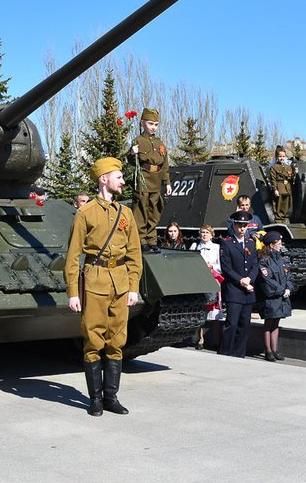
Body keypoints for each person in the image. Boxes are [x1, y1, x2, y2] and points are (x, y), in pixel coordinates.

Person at [64, 157, 142, 416]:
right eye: (118, 176)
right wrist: (73, 292)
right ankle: (95, 399)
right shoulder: (85, 213)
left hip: (120, 282)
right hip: (94, 281)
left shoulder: (126, 213)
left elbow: (134, 253)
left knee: (117, 340)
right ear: (103, 179)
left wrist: (133, 286)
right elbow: (73, 256)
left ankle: (111, 397)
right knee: (93, 340)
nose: (122, 181)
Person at [219, 210, 259, 357]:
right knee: (232, 324)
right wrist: (241, 280)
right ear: (234, 226)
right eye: (240, 225)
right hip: (234, 290)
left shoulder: (251, 243)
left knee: (244, 325)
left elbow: (255, 264)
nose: (242, 228)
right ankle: (226, 352)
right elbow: (226, 268)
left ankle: (239, 353)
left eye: (245, 225)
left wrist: (250, 279)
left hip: (248, 290)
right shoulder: (227, 243)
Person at [131, 108, 172, 250]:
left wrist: (167, 182)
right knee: (141, 209)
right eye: (150, 123)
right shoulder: (138, 141)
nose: (153, 127)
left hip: (156, 179)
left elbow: (165, 164)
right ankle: (141, 240)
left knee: (154, 210)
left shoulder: (160, 143)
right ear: (142, 123)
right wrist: (132, 153)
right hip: (143, 178)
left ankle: (152, 239)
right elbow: (131, 161)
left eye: (155, 124)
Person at [256, 231, 293, 361]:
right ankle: (268, 351)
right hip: (271, 297)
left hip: (281, 296)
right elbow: (267, 280)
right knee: (269, 323)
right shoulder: (264, 260)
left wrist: (288, 288)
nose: (280, 245)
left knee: (276, 322)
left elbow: (288, 275)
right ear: (271, 245)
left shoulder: (282, 259)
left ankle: (275, 349)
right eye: (278, 243)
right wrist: (281, 290)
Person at [191, 224, 223, 350]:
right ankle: (201, 339)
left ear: (211, 234)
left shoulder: (216, 247)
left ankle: (217, 340)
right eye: (202, 232)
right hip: (200, 281)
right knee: (201, 311)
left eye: (206, 232)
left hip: (213, 279)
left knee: (214, 312)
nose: (204, 235)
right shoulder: (195, 246)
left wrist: (212, 267)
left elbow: (220, 265)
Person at [266, 147, 295, 221]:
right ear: (276, 157)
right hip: (280, 188)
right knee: (279, 205)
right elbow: (273, 179)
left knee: (287, 204)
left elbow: (291, 178)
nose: (282, 158)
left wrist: (294, 173)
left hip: (287, 188)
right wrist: (275, 189)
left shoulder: (288, 167)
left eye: (283, 156)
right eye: (280, 156)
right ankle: (279, 219)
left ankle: (284, 217)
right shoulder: (274, 167)